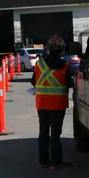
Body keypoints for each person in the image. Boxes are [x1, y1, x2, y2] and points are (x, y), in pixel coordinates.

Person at [31, 35, 74, 170]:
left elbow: (33, 82)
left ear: (48, 49)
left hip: (42, 103)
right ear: (62, 50)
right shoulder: (65, 66)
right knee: (55, 134)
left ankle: (43, 161)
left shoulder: (39, 64)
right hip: (58, 104)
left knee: (43, 132)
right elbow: (69, 84)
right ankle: (55, 162)